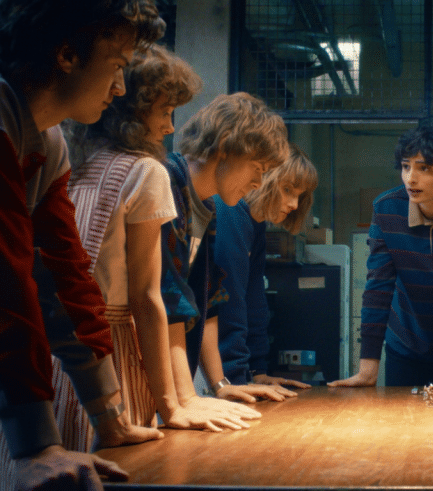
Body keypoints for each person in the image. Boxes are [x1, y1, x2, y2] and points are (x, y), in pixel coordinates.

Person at [0, 0, 166, 489]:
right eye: (116, 66)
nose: (119, 88)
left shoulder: (48, 142)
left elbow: (64, 275)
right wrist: (37, 445)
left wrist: (108, 414)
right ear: (66, 54)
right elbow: (6, 284)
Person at [65, 44, 265, 434]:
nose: (171, 127)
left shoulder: (70, 154)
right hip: (114, 347)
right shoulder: (148, 172)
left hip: (61, 348)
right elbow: (151, 296)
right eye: (163, 112)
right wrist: (175, 404)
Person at [328, 125, 433, 388]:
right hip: (405, 346)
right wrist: (367, 367)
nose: (410, 178)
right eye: (405, 166)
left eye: (424, 168)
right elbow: (378, 288)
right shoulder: (386, 209)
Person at [161, 92, 296, 405]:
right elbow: (164, 303)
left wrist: (220, 383)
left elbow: (209, 300)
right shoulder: (164, 183)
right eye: (257, 168)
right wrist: (185, 398)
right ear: (224, 148)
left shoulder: (206, 205)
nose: (260, 183)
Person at [215, 142, 317, 390]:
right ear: (264, 178)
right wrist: (236, 380)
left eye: (299, 195)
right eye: (287, 190)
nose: (294, 204)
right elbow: (229, 301)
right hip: (209, 368)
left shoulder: (254, 223)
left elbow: (253, 297)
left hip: (230, 370)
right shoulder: (231, 212)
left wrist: (257, 371)